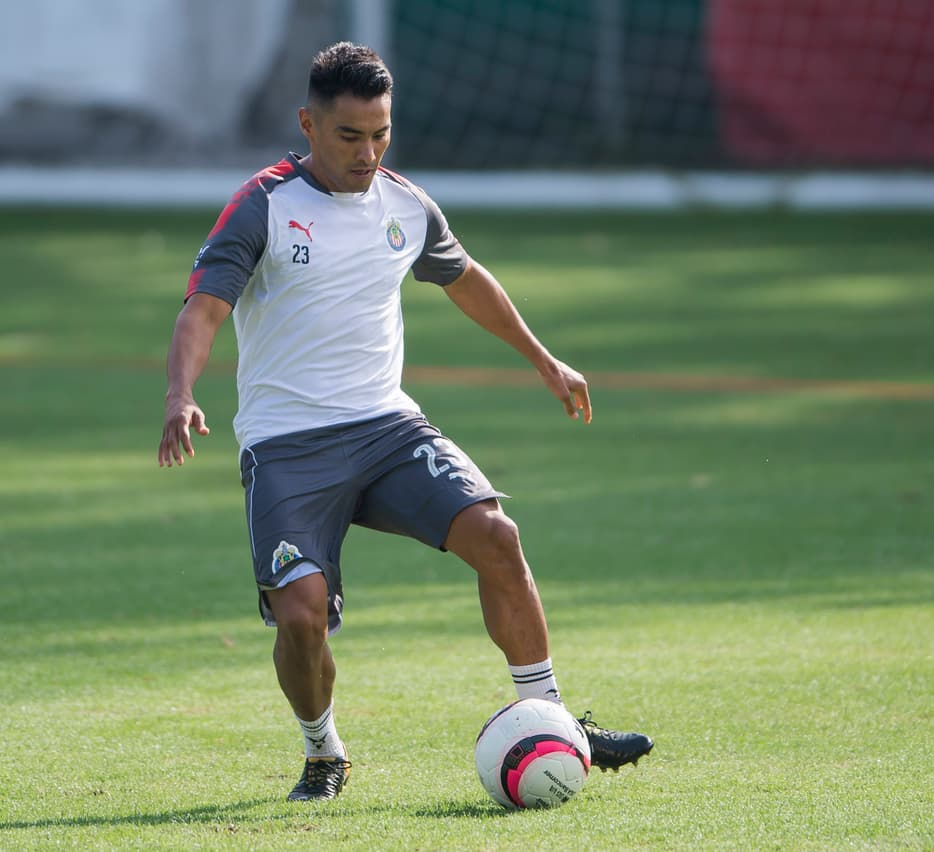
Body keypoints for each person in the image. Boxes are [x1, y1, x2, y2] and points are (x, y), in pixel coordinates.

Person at [158, 41, 652, 802]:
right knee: (301, 616)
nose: (368, 152)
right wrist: (180, 394)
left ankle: (556, 721)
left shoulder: (405, 206)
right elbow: (204, 308)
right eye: (350, 135)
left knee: (497, 536)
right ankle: (323, 753)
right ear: (309, 125)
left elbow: (467, 279)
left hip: (387, 429)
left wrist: (545, 360)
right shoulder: (264, 205)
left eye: (381, 134)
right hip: (287, 446)